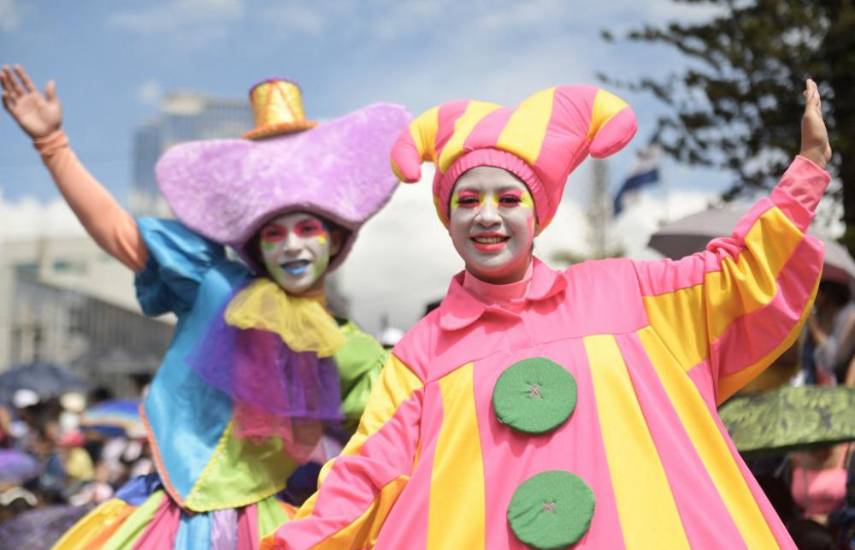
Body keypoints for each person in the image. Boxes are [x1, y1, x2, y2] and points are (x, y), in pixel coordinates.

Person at [262, 80, 832, 549]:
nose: (487, 215)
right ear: (448, 217)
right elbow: (365, 473)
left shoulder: (626, 292)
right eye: (467, 200)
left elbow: (736, 275)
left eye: (508, 199)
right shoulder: (423, 351)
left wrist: (805, 173)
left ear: (539, 213)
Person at [1, 64, 409, 548]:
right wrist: (53, 146)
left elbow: (401, 432)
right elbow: (121, 234)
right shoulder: (217, 285)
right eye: (274, 233)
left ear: (336, 237)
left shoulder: (352, 347)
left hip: (278, 524)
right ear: (256, 246)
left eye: (308, 229)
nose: (292, 246)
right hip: (173, 520)